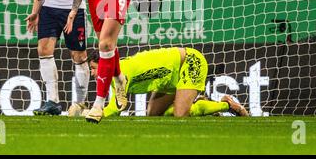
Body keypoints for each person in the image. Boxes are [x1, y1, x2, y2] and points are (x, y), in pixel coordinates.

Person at [73, 47, 249, 118]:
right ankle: (198, 103)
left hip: (189, 62)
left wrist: (90, 113)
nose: (93, 73)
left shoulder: (121, 74)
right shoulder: (114, 76)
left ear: (106, 64)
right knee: (154, 115)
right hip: (167, 79)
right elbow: (116, 107)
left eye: (95, 68)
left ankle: (226, 106)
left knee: (181, 114)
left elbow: (118, 106)